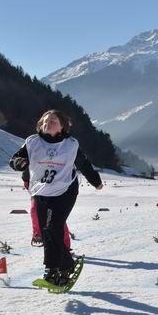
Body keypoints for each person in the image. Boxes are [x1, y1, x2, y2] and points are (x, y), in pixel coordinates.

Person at [10, 109, 103, 286]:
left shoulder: (71, 144)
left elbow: (84, 164)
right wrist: (19, 163)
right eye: (44, 121)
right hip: (40, 191)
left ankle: (50, 270)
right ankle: (66, 265)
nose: (47, 123)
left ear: (62, 126)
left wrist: (96, 181)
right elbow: (15, 158)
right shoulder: (32, 142)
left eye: (52, 121)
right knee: (46, 232)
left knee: (53, 228)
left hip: (65, 191)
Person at [22, 167, 71, 249]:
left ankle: (65, 247)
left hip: (55, 191)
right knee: (35, 210)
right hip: (39, 189)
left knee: (58, 219)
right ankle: (38, 234)